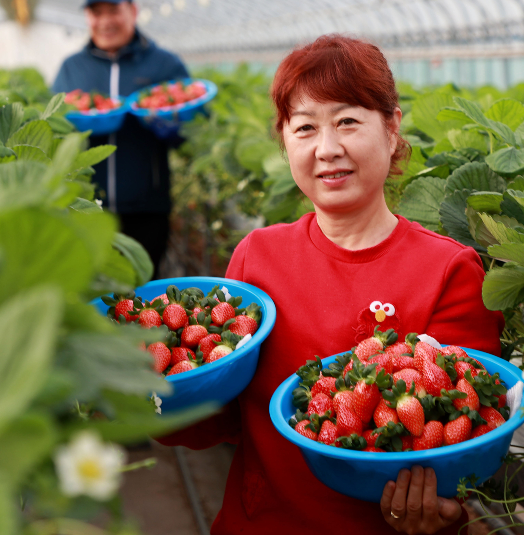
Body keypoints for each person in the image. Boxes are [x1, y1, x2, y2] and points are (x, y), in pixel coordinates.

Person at [158, 35, 504, 534]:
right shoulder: (258, 256)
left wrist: (442, 515)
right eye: (304, 128)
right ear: (284, 141)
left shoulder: (447, 270)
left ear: (390, 129)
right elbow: (226, 416)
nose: (328, 149)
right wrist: (147, 400)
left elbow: (461, 437)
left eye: (347, 121)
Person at [52, 0, 189, 278]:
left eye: (113, 10)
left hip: (147, 207)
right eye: (96, 13)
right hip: (86, 205)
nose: (105, 21)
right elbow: (52, 125)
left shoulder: (164, 65)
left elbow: (188, 131)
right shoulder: (71, 68)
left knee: (142, 293)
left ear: (133, 11)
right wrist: (69, 125)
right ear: (88, 17)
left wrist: (173, 126)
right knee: (93, 290)